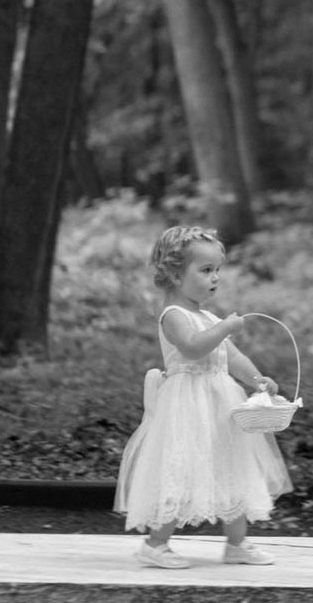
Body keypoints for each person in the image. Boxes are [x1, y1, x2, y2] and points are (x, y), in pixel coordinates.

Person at [114, 225, 293, 568]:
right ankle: (155, 544)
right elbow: (194, 349)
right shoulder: (174, 316)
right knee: (182, 470)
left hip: (220, 405)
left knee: (232, 467)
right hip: (187, 406)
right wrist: (224, 328)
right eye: (206, 270)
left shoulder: (207, 316)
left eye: (218, 270)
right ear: (176, 275)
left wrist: (258, 381)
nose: (215, 278)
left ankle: (237, 543)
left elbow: (234, 359)